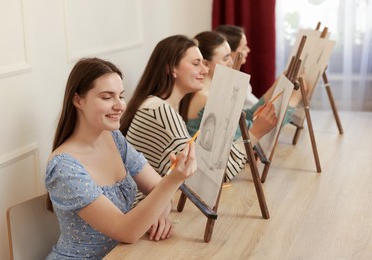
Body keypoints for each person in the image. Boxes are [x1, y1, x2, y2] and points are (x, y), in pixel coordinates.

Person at [45, 57, 196, 259]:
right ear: (78, 100)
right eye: (107, 97)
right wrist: (174, 179)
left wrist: (159, 212)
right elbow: (126, 231)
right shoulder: (64, 167)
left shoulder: (114, 138)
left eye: (121, 96)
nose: (120, 106)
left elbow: (157, 189)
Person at [120, 35, 270, 182]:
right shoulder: (158, 110)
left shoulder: (162, 106)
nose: (205, 70)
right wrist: (255, 133)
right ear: (172, 68)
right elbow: (208, 176)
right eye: (196, 63)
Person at [180, 31, 277, 143]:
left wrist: (276, 86)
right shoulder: (207, 98)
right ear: (206, 64)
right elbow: (246, 135)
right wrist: (293, 100)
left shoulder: (205, 92)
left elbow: (244, 122)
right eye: (226, 58)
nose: (231, 62)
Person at [215, 25, 300, 124]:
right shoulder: (226, 87)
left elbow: (252, 113)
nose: (248, 50)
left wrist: (279, 82)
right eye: (243, 48)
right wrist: (295, 99)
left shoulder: (236, 79)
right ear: (230, 51)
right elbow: (252, 118)